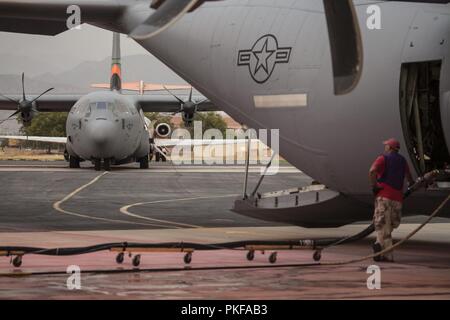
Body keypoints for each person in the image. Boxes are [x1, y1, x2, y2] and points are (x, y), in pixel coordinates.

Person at [369, 138, 414, 262]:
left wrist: (374, 186)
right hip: (398, 199)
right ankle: (380, 246)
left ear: (390, 148)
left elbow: (372, 171)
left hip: (384, 197)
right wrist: (411, 184)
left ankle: (384, 251)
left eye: (386, 145)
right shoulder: (403, 161)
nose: (385, 147)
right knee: (389, 225)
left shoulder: (383, 158)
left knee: (382, 225)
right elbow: (409, 177)